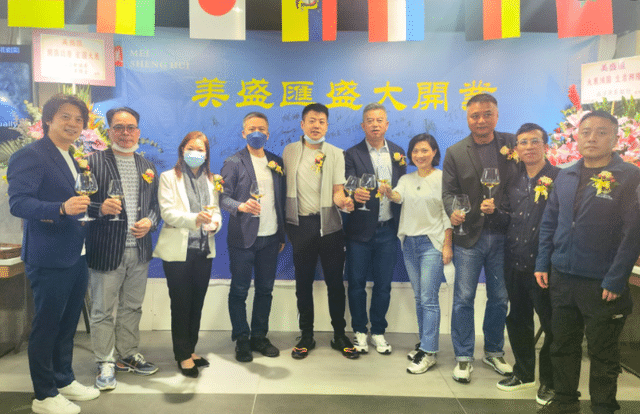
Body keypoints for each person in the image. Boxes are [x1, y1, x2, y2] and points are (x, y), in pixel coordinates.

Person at [535, 111, 640, 414]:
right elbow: (549, 222)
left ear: (615, 139)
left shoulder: (629, 176)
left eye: (601, 132)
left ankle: (604, 406)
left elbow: (633, 232)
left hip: (602, 282)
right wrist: (543, 263)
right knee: (562, 345)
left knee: (603, 352)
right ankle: (565, 401)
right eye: (586, 132)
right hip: (562, 277)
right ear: (577, 137)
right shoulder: (565, 175)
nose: (592, 138)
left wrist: (616, 278)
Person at [7, 94, 100, 414]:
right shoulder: (31, 155)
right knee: (47, 326)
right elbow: (19, 203)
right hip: (48, 255)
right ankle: (44, 394)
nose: (73, 124)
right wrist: (59, 208)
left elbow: (78, 203)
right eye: (65, 117)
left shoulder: (73, 156)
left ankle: (64, 378)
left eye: (79, 119)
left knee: (68, 323)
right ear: (48, 119)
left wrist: (100, 208)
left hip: (76, 252)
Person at [442, 93, 516, 383]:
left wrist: (502, 209)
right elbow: (449, 193)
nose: (481, 120)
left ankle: (494, 351)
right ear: (467, 118)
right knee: (463, 298)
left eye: (487, 114)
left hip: (504, 235)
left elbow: (522, 184)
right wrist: (454, 211)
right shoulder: (455, 152)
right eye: (475, 115)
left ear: (496, 115)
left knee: (500, 297)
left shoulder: (513, 144)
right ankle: (463, 356)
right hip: (469, 236)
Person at [85, 107, 160, 390]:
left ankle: (127, 354)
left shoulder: (147, 166)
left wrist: (150, 222)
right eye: (119, 127)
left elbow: (155, 207)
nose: (125, 133)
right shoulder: (92, 162)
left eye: (131, 128)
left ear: (138, 132)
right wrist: (99, 207)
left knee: (132, 306)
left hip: (139, 250)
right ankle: (105, 361)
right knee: (103, 310)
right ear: (109, 131)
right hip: (106, 248)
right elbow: (79, 203)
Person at [490, 124, 559, 405]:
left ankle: (551, 382)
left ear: (545, 145)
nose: (528, 147)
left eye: (534, 141)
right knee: (518, 320)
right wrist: (494, 212)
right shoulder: (513, 180)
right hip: (514, 260)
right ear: (516, 148)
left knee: (552, 324)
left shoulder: (559, 179)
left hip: (545, 266)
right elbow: (507, 219)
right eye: (523, 142)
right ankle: (524, 373)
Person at [282, 102, 356, 359]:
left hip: (330, 227)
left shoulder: (336, 153)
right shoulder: (290, 151)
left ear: (327, 125)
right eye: (311, 121)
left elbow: (338, 191)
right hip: (300, 226)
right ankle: (306, 336)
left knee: (335, 284)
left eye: (321, 121)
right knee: (303, 284)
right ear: (302, 124)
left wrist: (345, 203)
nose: (316, 126)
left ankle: (339, 335)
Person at [380, 133, 452, 373]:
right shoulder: (406, 179)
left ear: (434, 152)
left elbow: (447, 214)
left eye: (425, 150)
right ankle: (425, 345)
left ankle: (429, 352)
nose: (420, 155)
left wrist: (447, 244)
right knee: (420, 298)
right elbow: (398, 196)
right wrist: (388, 192)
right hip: (409, 243)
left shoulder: (443, 178)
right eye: (415, 151)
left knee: (429, 299)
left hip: (432, 243)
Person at [153, 131, 222, 378]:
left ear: (206, 154)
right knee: (181, 304)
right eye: (191, 148)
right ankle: (182, 355)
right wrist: (196, 219)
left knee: (196, 303)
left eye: (201, 149)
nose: (196, 153)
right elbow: (167, 213)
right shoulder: (168, 177)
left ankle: (190, 350)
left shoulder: (212, 179)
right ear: (182, 150)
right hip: (178, 252)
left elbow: (216, 211)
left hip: (204, 249)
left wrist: (214, 224)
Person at [220, 112, 286, 362]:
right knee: (239, 290)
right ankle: (242, 338)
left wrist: (281, 234)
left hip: (271, 237)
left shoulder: (276, 161)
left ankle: (259, 336)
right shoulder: (233, 162)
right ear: (243, 133)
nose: (256, 132)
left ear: (268, 133)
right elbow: (222, 197)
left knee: (265, 290)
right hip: (243, 239)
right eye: (251, 128)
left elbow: (281, 199)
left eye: (261, 128)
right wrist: (240, 206)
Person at [344, 103, 406, 355]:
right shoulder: (352, 154)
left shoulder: (398, 153)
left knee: (383, 284)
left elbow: (402, 188)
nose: (375, 124)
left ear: (387, 124)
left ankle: (378, 331)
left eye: (380, 120)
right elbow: (348, 184)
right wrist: (353, 193)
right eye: (370, 120)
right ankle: (360, 331)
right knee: (356, 283)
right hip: (359, 230)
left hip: (388, 230)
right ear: (363, 125)